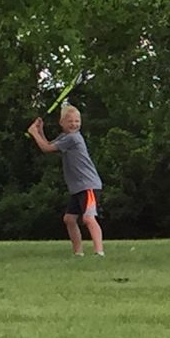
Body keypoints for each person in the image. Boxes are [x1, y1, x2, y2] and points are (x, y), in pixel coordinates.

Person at [27, 103, 105, 257]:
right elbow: (49, 144)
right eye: (70, 121)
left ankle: (99, 251)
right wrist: (40, 130)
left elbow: (46, 149)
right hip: (78, 187)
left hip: (88, 185)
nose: (74, 124)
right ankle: (78, 252)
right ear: (61, 123)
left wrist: (33, 133)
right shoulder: (65, 137)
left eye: (77, 121)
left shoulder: (73, 138)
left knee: (88, 218)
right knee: (69, 219)